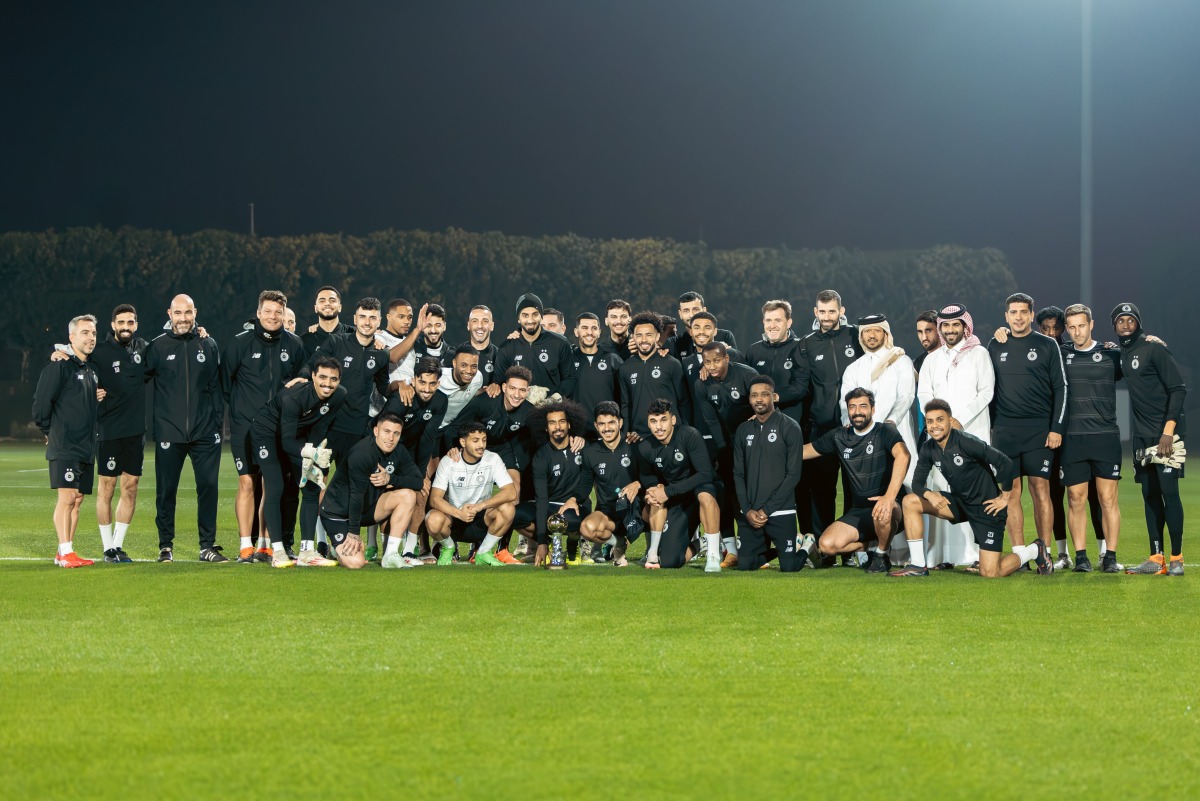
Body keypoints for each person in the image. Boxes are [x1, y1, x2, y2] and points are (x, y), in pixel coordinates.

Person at [894, 399, 1053, 578]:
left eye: (940, 420)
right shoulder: (928, 448)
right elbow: (916, 483)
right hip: (960, 503)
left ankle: (1035, 549)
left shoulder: (966, 442)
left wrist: (1005, 497)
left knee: (991, 573)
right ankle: (917, 565)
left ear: (950, 421)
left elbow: (1005, 463)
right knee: (910, 501)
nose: (934, 426)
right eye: (930, 421)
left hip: (987, 509)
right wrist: (929, 495)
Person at [221, 290, 307, 563]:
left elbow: (300, 385)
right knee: (247, 483)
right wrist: (239, 416)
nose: (272, 316)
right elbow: (225, 385)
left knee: (273, 486)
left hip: (278, 428)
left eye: (278, 312)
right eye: (268, 311)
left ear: (284, 315)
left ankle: (265, 544)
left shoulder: (294, 345)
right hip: (245, 427)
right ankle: (245, 546)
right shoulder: (239, 343)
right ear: (258, 313)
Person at [144, 294, 228, 563]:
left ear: (195, 312)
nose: (183, 318)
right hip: (169, 432)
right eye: (178, 313)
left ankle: (207, 546)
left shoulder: (209, 343)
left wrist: (217, 425)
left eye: (188, 313)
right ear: (169, 313)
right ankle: (165, 546)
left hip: (205, 433)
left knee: (208, 488)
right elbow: (136, 380)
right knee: (166, 491)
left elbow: (216, 388)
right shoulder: (157, 347)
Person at [987, 293, 1068, 554]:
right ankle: (1020, 553)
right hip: (1005, 431)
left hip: (1039, 432)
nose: (1019, 317)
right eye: (1013, 312)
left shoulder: (1047, 345)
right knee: (1010, 493)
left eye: (1024, 312)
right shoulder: (995, 344)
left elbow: (1061, 388)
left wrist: (1056, 428)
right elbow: (988, 390)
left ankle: (1043, 551)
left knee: (1040, 489)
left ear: (1032, 315)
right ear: (1006, 316)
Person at [916, 303, 994, 568]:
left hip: (971, 432)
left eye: (955, 325)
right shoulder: (932, 359)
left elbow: (986, 392)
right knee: (942, 491)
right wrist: (939, 423)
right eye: (945, 326)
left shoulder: (979, 354)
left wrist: (957, 420)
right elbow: (924, 394)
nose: (950, 330)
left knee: (975, 494)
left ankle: (975, 555)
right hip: (940, 437)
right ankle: (944, 556)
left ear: (965, 326)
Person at [251, 356, 347, 568]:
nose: (327, 384)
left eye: (333, 379)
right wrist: (310, 454)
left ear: (339, 380)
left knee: (311, 488)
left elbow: (320, 427)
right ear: (312, 376)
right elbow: (285, 442)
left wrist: (311, 456)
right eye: (322, 377)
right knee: (275, 487)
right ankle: (277, 551)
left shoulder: (339, 396)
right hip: (267, 433)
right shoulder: (293, 398)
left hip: (296, 437)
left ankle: (307, 552)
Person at [1113, 303, 1188, 575]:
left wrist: (1168, 431)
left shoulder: (1154, 348)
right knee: (1149, 495)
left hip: (1167, 436)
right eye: (1120, 321)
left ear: (1138, 323)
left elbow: (1178, 390)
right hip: (1142, 438)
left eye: (1130, 320)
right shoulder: (1121, 353)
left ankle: (1177, 558)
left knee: (1170, 494)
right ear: (1114, 326)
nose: (1125, 324)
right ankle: (1156, 558)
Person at [801, 388, 909, 572]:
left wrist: (889, 497)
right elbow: (803, 452)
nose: (857, 411)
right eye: (852, 407)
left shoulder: (885, 431)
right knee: (826, 545)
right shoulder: (839, 436)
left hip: (891, 507)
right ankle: (869, 547)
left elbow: (904, 456)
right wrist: (772, 426)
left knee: (882, 511)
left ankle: (882, 556)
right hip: (860, 511)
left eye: (863, 406)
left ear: (873, 410)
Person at [33, 314, 104, 568]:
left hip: (86, 446)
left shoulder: (90, 371)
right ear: (71, 337)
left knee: (78, 499)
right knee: (67, 497)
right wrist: (47, 431)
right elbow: (41, 404)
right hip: (65, 444)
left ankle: (65, 550)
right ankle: (65, 553)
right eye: (85, 333)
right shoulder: (59, 366)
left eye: (93, 333)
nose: (91, 338)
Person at [1059, 304, 1122, 573]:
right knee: (1075, 498)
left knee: (1108, 499)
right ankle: (1081, 556)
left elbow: (1138, 361)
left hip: (1105, 437)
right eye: (1071, 327)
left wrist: (1150, 341)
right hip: (1072, 438)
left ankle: (1110, 556)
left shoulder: (1110, 353)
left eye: (1081, 326)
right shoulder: (1060, 354)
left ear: (1091, 324)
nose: (1076, 332)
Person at [797, 290, 862, 551]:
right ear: (815, 312)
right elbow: (803, 387)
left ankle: (851, 548)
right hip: (822, 428)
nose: (827, 317)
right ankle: (824, 548)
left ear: (841, 311)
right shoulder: (807, 344)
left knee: (855, 488)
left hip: (854, 427)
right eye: (822, 312)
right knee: (823, 490)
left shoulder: (855, 336)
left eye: (832, 311)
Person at [317, 412, 424, 569]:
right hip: (338, 514)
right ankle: (335, 547)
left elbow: (418, 482)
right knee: (355, 563)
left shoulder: (399, 451)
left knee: (408, 495)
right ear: (376, 431)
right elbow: (356, 495)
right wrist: (353, 533)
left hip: (366, 510)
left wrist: (391, 479)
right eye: (386, 431)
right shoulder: (362, 453)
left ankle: (391, 555)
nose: (391, 438)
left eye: (396, 433)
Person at [732, 376, 810, 572]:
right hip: (750, 513)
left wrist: (767, 510)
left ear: (774, 397)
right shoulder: (743, 430)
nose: (759, 399)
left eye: (764, 394)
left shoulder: (790, 427)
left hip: (781, 511)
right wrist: (747, 510)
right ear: (749, 399)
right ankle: (781, 551)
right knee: (745, 566)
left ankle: (806, 546)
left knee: (789, 567)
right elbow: (738, 474)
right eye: (754, 395)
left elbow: (793, 475)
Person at [636, 398, 722, 572]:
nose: (658, 427)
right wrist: (654, 490)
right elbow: (648, 478)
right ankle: (702, 543)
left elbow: (705, 474)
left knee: (704, 494)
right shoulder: (645, 447)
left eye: (663, 420)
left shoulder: (689, 435)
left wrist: (667, 491)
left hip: (704, 489)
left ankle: (714, 554)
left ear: (673, 420)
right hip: (678, 498)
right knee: (670, 560)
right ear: (648, 423)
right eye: (653, 421)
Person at [302, 297, 391, 465]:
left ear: (379, 321)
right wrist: (301, 378)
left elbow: (383, 387)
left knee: (349, 484)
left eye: (372, 318)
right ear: (355, 319)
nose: (367, 322)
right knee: (316, 483)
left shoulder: (382, 354)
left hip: (356, 427)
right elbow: (312, 364)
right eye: (363, 317)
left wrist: (401, 387)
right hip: (327, 423)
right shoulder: (336, 341)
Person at [694, 341, 759, 566]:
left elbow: (764, 403)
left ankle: (756, 549)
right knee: (728, 495)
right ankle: (731, 550)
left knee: (753, 494)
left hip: (753, 443)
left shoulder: (748, 375)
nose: (712, 366)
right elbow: (710, 420)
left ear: (727, 359)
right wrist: (724, 450)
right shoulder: (701, 384)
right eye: (707, 362)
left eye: (717, 360)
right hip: (725, 446)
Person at [91, 304, 147, 563]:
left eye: (131, 322)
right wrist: (58, 354)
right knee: (107, 487)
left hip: (136, 432)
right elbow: (76, 362)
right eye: (121, 322)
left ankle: (118, 545)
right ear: (112, 325)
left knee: (131, 487)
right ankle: (106, 548)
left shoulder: (143, 349)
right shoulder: (99, 352)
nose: (126, 327)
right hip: (109, 430)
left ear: (136, 324)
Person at [381, 357, 449, 563]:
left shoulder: (441, 401)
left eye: (432, 383)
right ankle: (387, 549)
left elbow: (428, 438)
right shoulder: (400, 399)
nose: (427, 389)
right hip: (388, 451)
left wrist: (419, 476)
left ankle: (409, 551)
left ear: (438, 383)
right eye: (422, 382)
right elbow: (387, 438)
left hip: (412, 451)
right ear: (413, 380)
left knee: (421, 493)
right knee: (390, 495)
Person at [425, 421, 518, 566]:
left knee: (508, 508)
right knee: (432, 519)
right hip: (454, 519)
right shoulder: (449, 461)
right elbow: (435, 499)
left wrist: (479, 506)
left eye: (484, 440)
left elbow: (511, 493)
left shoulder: (492, 459)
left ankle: (483, 552)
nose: (481, 445)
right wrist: (458, 513)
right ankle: (449, 547)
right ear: (462, 442)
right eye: (475, 441)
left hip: (481, 518)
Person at [839, 314, 917, 484]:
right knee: (872, 490)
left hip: (898, 433)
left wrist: (892, 421)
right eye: (867, 331)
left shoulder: (901, 361)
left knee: (911, 485)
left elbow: (907, 395)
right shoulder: (853, 369)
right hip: (865, 438)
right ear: (861, 336)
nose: (872, 335)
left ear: (886, 334)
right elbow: (845, 403)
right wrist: (847, 421)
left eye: (876, 330)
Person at [519, 401, 593, 566]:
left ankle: (573, 541)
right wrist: (542, 541)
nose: (557, 426)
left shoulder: (582, 447)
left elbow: (588, 480)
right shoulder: (541, 456)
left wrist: (575, 498)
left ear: (569, 424)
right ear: (546, 428)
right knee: (513, 515)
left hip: (576, 506)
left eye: (561, 421)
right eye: (552, 423)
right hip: (551, 505)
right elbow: (541, 497)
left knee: (570, 522)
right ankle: (552, 543)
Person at [578, 402, 643, 567]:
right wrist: (572, 499)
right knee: (587, 528)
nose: (607, 428)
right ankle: (618, 542)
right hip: (608, 514)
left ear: (620, 423)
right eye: (602, 424)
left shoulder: (635, 445)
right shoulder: (590, 451)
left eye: (611, 423)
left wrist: (638, 483)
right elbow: (585, 486)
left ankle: (652, 551)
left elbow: (653, 476)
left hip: (635, 512)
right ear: (596, 426)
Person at [619, 312, 691, 441]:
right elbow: (625, 404)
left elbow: (684, 401)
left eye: (649, 335)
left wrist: (684, 431)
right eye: (639, 335)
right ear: (633, 337)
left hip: (671, 436)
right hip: (639, 437)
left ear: (657, 336)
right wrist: (627, 432)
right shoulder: (625, 368)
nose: (644, 340)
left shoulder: (672, 364)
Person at [493, 293, 576, 397]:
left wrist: (556, 397)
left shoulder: (560, 343)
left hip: (551, 409)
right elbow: (499, 382)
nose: (530, 320)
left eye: (535, 314)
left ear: (541, 316)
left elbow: (570, 377)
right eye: (525, 315)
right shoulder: (507, 348)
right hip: (518, 410)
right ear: (518, 318)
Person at [743, 299, 808, 425]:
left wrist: (775, 397)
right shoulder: (753, 351)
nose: (772, 325)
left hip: (792, 422)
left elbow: (802, 387)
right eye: (768, 320)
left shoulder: (801, 347)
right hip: (759, 422)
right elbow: (745, 386)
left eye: (778, 320)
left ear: (788, 322)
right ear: (763, 322)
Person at [569, 312, 622, 436]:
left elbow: (624, 397)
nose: (589, 332)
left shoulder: (613, 359)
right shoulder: (568, 360)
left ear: (599, 332)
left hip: (608, 432)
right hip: (578, 435)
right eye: (584, 328)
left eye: (594, 328)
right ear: (576, 332)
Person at [669, 291, 737, 362]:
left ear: (704, 311)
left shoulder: (725, 336)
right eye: (686, 311)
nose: (691, 315)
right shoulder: (674, 343)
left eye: (695, 309)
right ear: (680, 314)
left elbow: (735, 364)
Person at [438, 346, 484, 430]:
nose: (469, 371)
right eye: (463, 365)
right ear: (454, 363)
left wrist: (488, 389)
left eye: (474, 366)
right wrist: (405, 385)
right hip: (435, 427)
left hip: (457, 427)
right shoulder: (439, 377)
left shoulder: (478, 377)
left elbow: (473, 393)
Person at [300, 285, 354, 353]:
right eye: (322, 301)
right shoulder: (304, 341)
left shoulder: (354, 334)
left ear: (340, 307)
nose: (327, 303)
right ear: (315, 308)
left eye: (332, 300)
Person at [464, 305, 499, 381]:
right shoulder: (456, 355)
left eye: (485, 321)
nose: (480, 326)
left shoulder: (501, 357)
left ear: (492, 326)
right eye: (475, 321)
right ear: (468, 325)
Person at [913, 310, 940, 374]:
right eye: (920, 332)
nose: (924, 337)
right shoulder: (918, 363)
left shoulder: (953, 357)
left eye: (928, 331)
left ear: (939, 330)